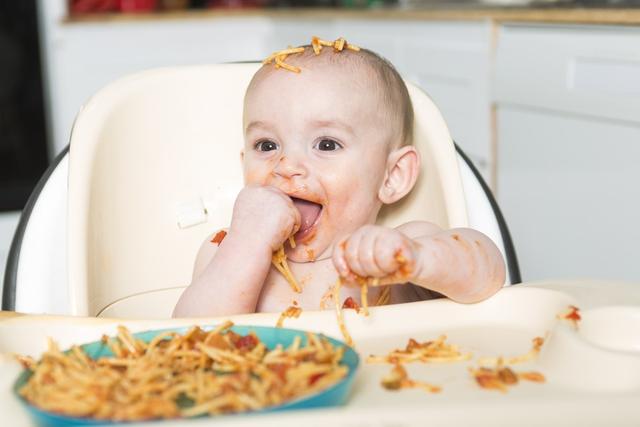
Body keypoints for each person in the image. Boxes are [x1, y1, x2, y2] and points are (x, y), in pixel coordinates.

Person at [173, 39, 505, 318]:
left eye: (327, 144)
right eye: (267, 145)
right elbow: (184, 343)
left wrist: (418, 259)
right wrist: (247, 244)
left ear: (393, 176)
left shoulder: (398, 252)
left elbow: (488, 275)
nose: (286, 166)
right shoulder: (225, 253)